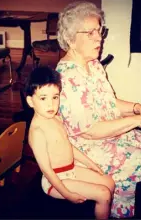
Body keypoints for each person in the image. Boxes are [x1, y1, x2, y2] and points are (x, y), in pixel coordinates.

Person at [55, 1, 141, 218]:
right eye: (90, 33)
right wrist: (138, 120)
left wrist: (140, 108)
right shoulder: (67, 78)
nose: (99, 38)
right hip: (90, 150)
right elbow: (90, 130)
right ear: (71, 39)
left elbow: (109, 102)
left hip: (113, 137)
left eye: (99, 31)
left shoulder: (93, 64)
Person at [25, 66, 115, 220]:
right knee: (103, 194)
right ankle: (101, 208)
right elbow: (46, 170)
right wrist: (67, 194)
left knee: (109, 183)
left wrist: (90, 164)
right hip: (54, 181)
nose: (51, 104)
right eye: (43, 98)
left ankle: (101, 211)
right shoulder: (38, 131)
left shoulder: (55, 118)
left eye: (55, 97)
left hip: (70, 170)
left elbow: (68, 146)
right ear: (30, 101)